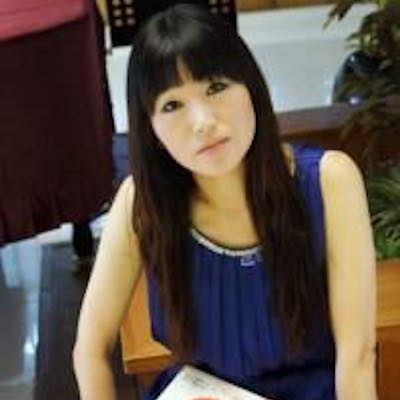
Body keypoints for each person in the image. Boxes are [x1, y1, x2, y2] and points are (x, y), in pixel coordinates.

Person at [73, 4, 377, 400]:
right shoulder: (142, 202)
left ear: (252, 87)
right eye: (172, 105)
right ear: (151, 130)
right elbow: (90, 349)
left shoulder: (328, 180)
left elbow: (357, 354)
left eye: (215, 87)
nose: (203, 122)